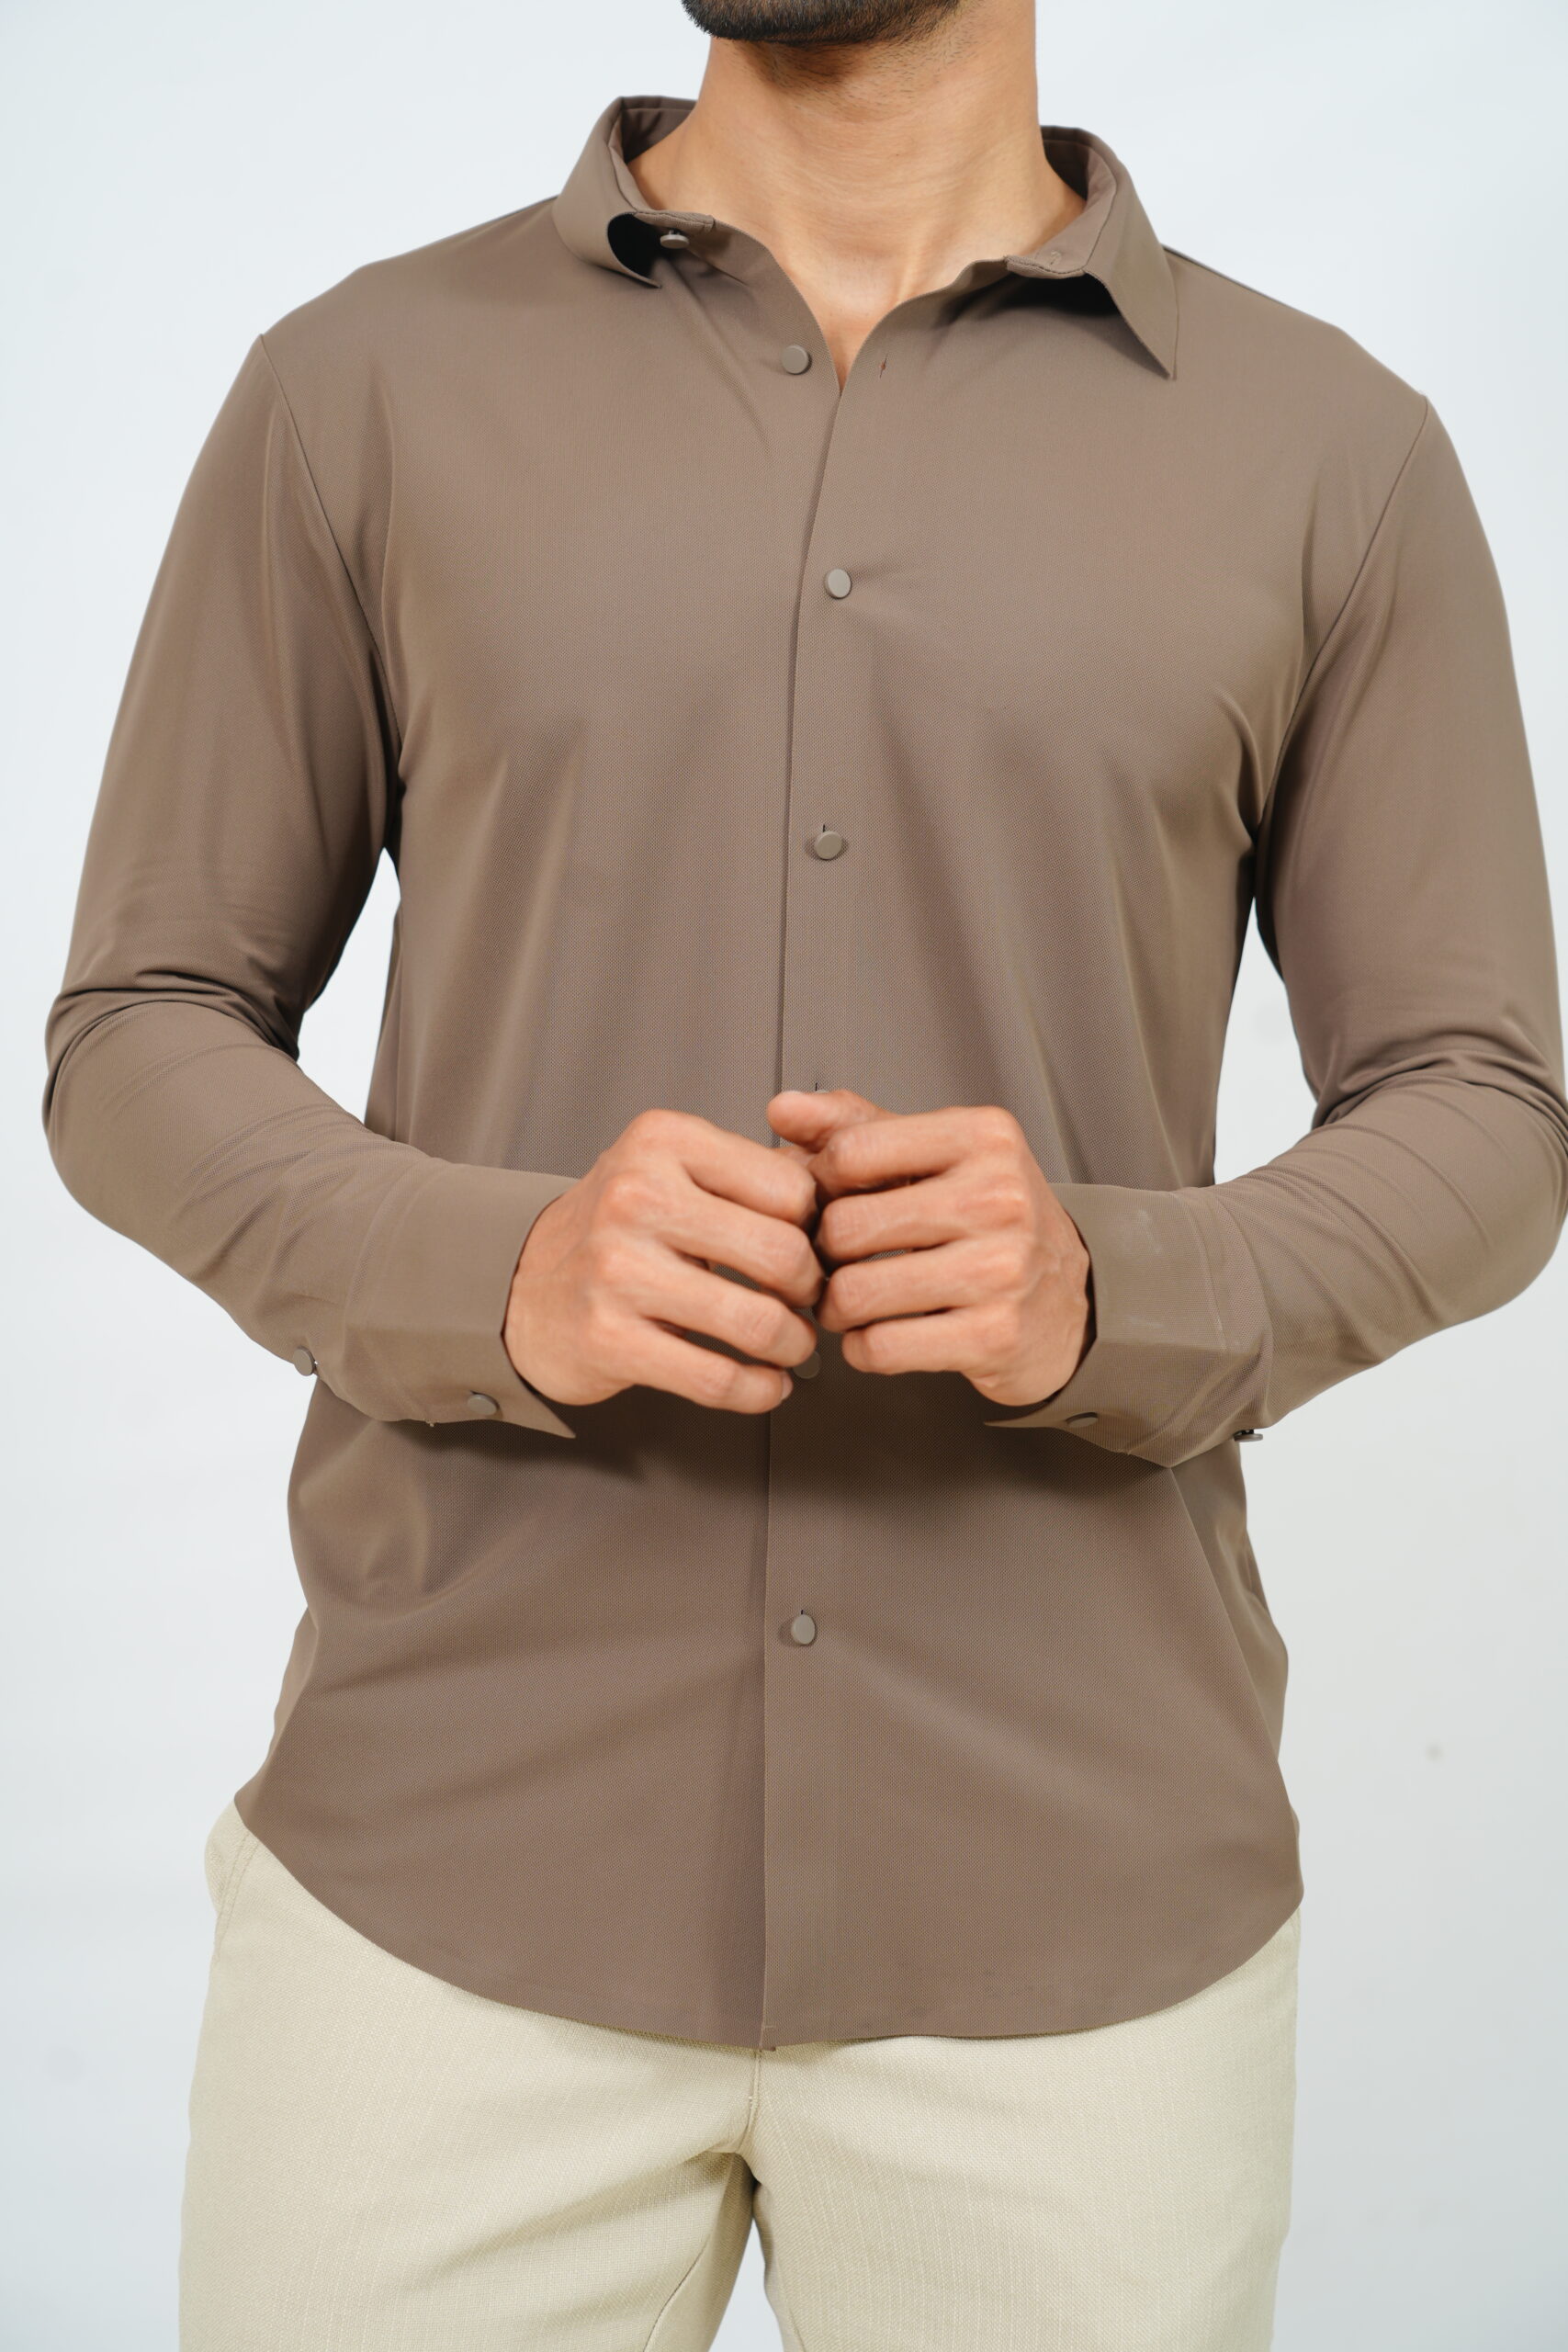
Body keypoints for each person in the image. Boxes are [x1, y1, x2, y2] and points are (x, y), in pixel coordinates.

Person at [42, 1, 1566, 2346]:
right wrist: (493, 1267)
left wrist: (1112, 1291)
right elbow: (139, 1028)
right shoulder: (357, 389)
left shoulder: (1328, 453)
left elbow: (1479, 1100)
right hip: (442, 1897)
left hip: (1072, 1932)